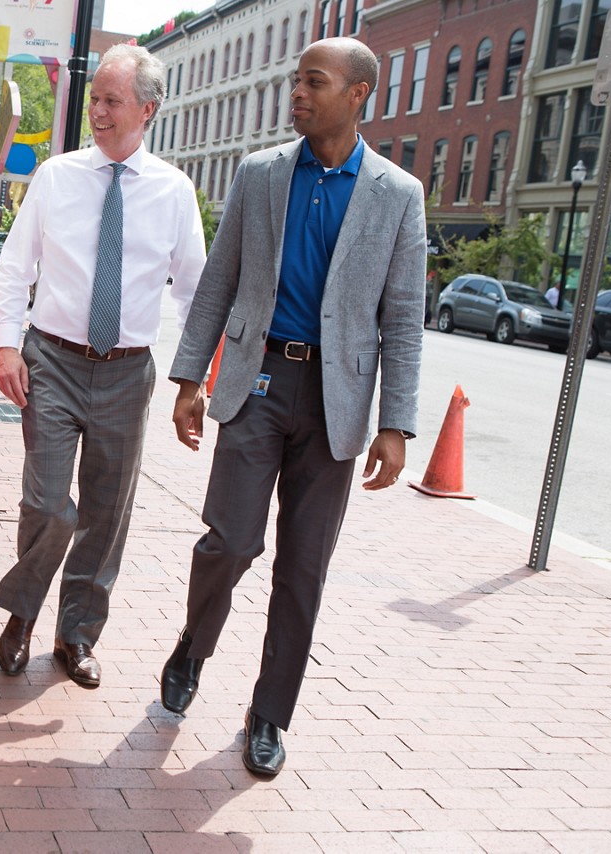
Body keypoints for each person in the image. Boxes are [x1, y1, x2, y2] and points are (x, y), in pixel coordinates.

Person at [160, 37, 425, 777]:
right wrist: (189, 378)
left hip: (335, 402)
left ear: (359, 94)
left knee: (304, 568)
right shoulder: (260, 174)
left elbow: (403, 318)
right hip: (258, 381)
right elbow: (220, 280)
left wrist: (396, 425)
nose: (298, 93)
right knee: (231, 542)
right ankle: (194, 643)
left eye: (314, 81)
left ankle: (269, 713)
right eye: (296, 81)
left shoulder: (397, 195)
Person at [0, 43, 206, 689]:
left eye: (111, 101)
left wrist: (192, 381)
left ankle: (75, 635)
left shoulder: (173, 190)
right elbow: (13, 267)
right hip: (51, 360)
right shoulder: (57, 177)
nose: (99, 113)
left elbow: (194, 292)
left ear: (147, 109)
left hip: (125, 371)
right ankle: (22, 613)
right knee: (50, 504)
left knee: (107, 514)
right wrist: (5, 343)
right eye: (95, 101)